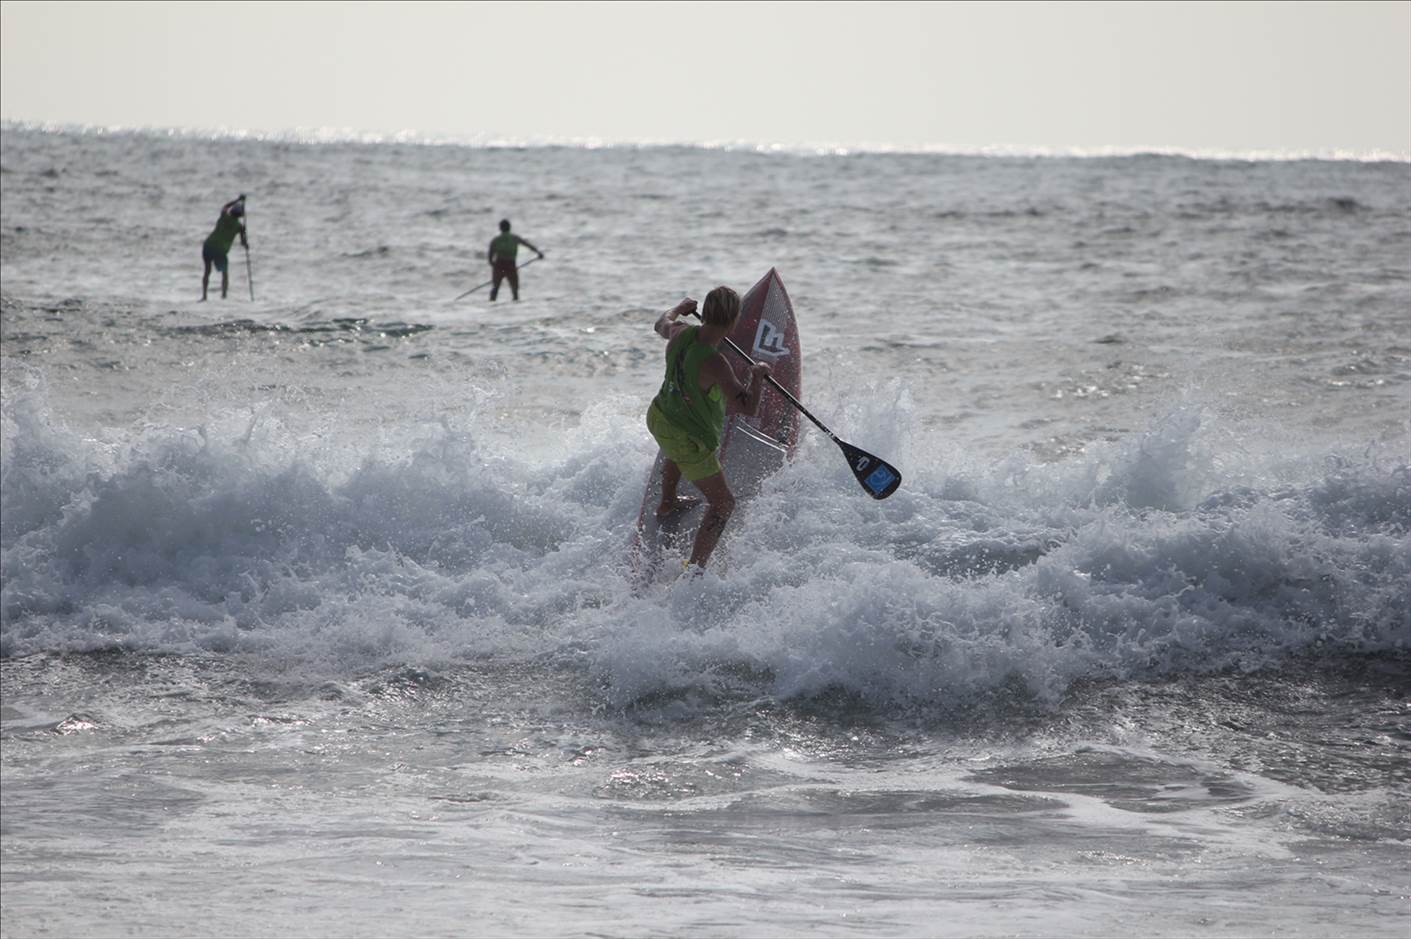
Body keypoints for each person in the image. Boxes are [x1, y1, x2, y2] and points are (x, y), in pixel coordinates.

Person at [645, 286, 771, 574]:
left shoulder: (679, 332)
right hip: (687, 436)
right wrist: (757, 377)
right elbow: (747, 406)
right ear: (733, 321)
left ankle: (668, 502)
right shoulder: (715, 363)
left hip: (660, 417)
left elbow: (661, 322)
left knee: (673, 449)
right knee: (723, 504)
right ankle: (695, 569)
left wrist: (679, 308)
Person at [200, 195, 249, 301]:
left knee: (207, 271)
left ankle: (204, 296)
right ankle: (224, 296)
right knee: (224, 273)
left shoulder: (224, 216)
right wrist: (246, 243)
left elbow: (225, 206)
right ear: (241, 215)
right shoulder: (239, 227)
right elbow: (243, 243)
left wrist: (237, 200)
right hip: (220, 251)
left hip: (208, 246)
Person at [486, 219, 544, 301]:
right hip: (510, 265)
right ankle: (515, 305)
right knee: (514, 290)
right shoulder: (514, 238)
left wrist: (495, 267)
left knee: (495, 288)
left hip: (499, 264)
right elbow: (528, 245)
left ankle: (491, 304)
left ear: (500, 228)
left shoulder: (495, 240)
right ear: (509, 228)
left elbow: (490, 257)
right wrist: (538, 253)